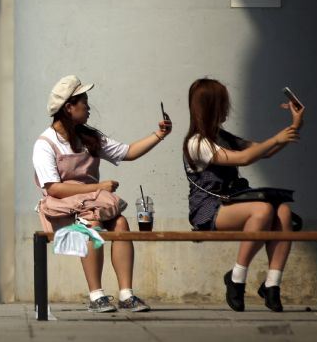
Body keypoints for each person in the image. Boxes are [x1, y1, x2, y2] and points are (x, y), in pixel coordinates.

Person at [33, 75, 172, 313]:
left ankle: (126, 293)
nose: (88, 108)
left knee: (120, 222)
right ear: (69, 107)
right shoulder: (45, 144)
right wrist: (98, 188)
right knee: (92, 225)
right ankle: (96, 294)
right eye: (84, 102)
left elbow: (127, 152)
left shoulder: (89, 137)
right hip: (63, 209)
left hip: (93, 202)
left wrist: (159, 135)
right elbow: (53, 188)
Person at [182, 78, 303, 312]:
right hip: (208, 208)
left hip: (235, 201)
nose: (228, 107)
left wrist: (295, 125)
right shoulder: (197, 143)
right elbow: (244, 159)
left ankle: (272, 284)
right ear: (211, 106)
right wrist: (276, 138)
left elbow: (264, 151)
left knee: (283, 211)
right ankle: (236, 279)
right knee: (263, 209)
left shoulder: (224, 136)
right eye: (224, 103)